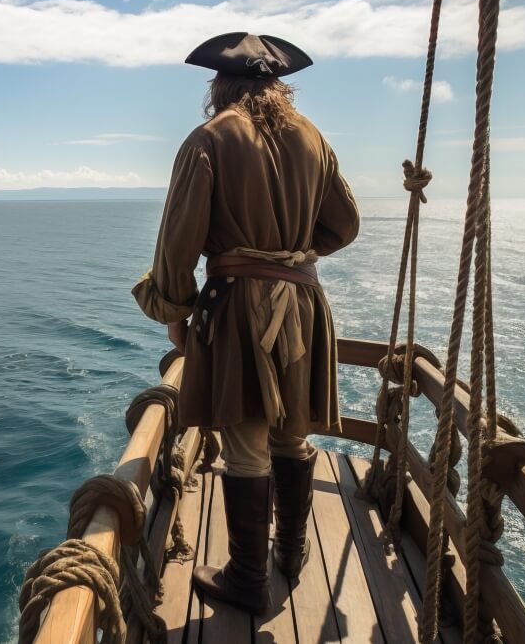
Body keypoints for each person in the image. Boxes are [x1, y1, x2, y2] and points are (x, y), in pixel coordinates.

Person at [132, 32, 360, 615]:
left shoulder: (210, 138)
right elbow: (346, 224)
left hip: (237, 303)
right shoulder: (313, 138)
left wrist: (175, 311)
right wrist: (288, 255)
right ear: (279, 85)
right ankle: (291, 552)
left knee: (247, 445)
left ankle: (248, 579)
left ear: (220, 85)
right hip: (305, 304)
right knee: (294, 431)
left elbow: (176, 244)